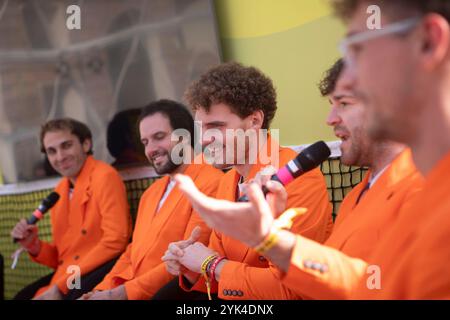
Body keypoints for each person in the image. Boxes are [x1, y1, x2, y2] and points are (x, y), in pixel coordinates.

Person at [175, 0, 450, 299]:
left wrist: (213, 265)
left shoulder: (425, 190)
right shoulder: (359, 195)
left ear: (429, 42)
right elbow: (359, 281)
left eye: (359, 50)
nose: (347, 77)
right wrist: (266, 241)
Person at [159, 62, 333, 300]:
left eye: (216, 127)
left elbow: (294, 290)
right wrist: (189, 268)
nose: (206, 140)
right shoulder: (227, 181)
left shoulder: (302, 178)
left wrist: (210, 264)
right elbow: (222, 275)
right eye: (202, 129)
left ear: (254, 121)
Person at [80, 99, 223, 300]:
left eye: (159, 137)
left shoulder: (212, 182)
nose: (151, 149)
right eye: (145, 142)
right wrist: (101, 291)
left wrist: (120, 294)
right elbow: (132, 253)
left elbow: (186, 260)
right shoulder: (151, 193)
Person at [11, 118, 131, 300]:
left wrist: (60, 287)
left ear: (85, 143)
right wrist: (34, 246)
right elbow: (62, 258)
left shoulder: (105, 176)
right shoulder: (59, 191)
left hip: (96, 273)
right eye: (52, 151)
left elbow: (116, 241)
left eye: (66, 146)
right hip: (68, 275)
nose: (59, 157)